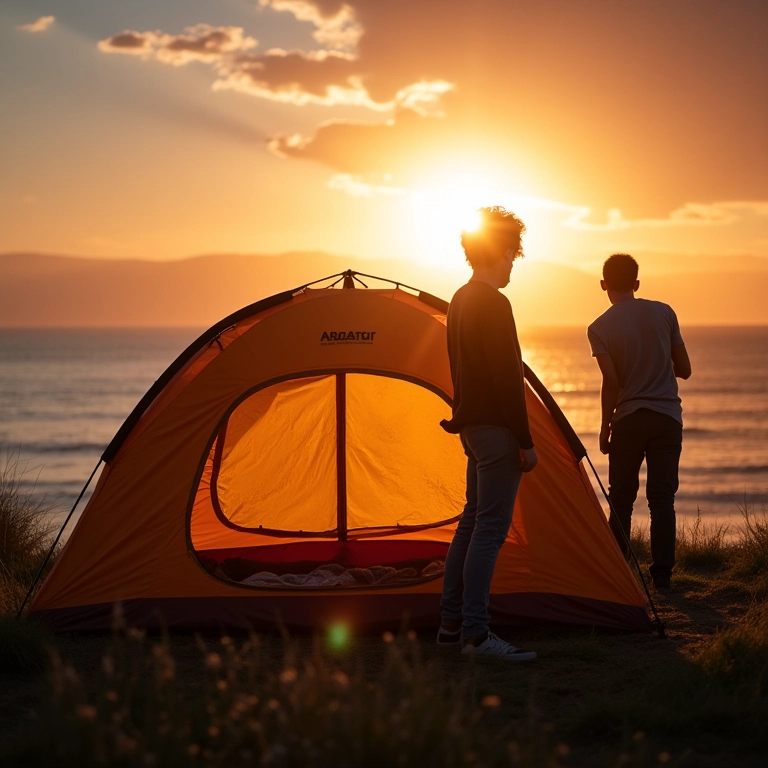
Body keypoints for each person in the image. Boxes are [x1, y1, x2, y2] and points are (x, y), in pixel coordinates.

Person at [436, 206, 538, 660]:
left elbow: (462, 369)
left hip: (471, 427)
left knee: (471, 523)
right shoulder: (494, 303)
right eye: (512, 255)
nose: (513, 263)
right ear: (500, 250)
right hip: (496, 431)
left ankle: (449, 627)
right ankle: (476, 636)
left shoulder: (458, 299)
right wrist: (526, 440)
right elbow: (505, 378)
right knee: (490, 530)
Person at [587, 254, 692, 592]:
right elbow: (685, 369)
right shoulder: (665, 312)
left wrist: (606, 427)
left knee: (621, 498)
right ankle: (662, 577)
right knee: (662, 499)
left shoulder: (599, 327)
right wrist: (656, 364)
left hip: (629, 420)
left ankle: (617, 574)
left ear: (603, 285)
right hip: (666, 419)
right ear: (636, 284)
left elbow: (612, 382)